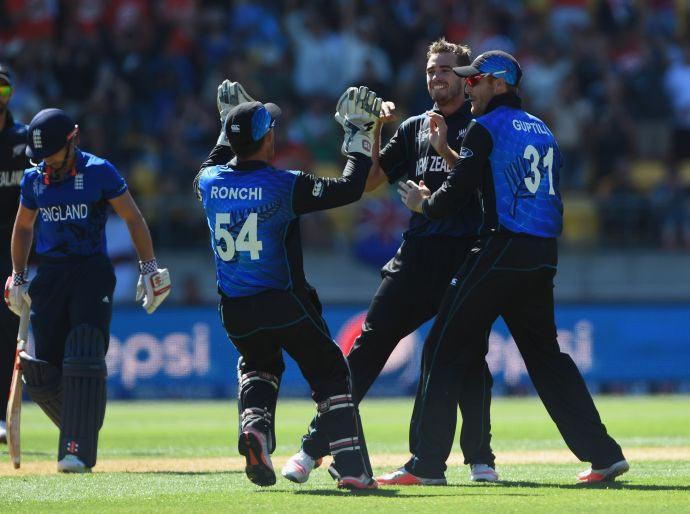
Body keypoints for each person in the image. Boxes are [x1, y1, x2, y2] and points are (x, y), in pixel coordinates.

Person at [392, 50, 629, 484]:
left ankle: (424, 466)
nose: (468, 87)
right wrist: (447, 150)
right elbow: (499, 183)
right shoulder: (543, 129)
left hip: (500, 249)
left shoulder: (484, 128)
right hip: (541, 256)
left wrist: (422, 204)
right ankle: (604, 455)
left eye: (475, 81)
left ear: (498, 84)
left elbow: (455, 197)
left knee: (441, 347)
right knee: (546, 359)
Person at [285, 38, 498, 486]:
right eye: (430, 71)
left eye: (445, 70)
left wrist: (443, 155)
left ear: (464, 78)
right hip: (419, 253)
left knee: (468, 356)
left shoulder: (482, 126)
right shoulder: (415, 126)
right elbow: (371, 182)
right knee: (368, 345)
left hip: (467, 254)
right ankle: (313, 448)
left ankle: (481, 459)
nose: (435, 77)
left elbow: (482, 189)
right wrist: (378, 129)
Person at [194, 81, 382, 489]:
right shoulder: (283, 185)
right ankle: (352, 470)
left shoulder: (207, 182)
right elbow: (350, 188)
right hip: (282, 301)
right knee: (331, 374)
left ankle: (256, 432)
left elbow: (215, 159)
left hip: (234, 310)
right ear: (267, 139)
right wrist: (361, 135)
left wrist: (228, 126)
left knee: (259, 367)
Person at [4, 108, 171, 473]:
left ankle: (76, 447)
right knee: (43, 372)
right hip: (50, 276)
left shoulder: (99, 171)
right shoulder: (35, 179)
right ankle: (84, 417)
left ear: (72, 138)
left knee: (83, 346)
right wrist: (17, 276)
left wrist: (148, 268)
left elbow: (132, 217)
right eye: (40, 156)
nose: (46, 162)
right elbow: (22, 228)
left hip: (90, 272)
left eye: (52, 153)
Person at [0, 63, 29, 445]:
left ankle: (3, 417)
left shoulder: (25, 139)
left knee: (8, 331)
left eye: (3, 92)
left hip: (12, 248)